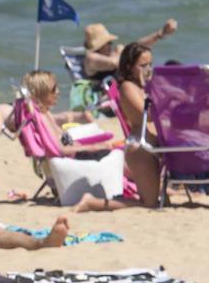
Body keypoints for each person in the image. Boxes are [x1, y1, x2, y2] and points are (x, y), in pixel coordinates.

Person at [15, 70, 132, 214]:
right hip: (73, 158)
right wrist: (94, 147)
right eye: (53, 90)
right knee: (123, 156)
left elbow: (64, 139)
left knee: (120, 151)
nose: (57, 92)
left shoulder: (45, 114)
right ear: (41, 93)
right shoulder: (42, 119)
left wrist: (85, 145)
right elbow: (60, 149)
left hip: (75, 154)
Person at [114, 43, 164, 208]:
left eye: (150, 64)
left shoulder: (144, 87)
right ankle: (94, 203)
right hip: (141, 148)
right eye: (143, 65)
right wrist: (150, 87)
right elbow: (149, 115)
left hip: (153, 146)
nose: (148, 69)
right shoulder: (128, 87)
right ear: (129, 66)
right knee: (149, 203)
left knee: (159, 201)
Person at [82, 20, 176, 83]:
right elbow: (113, 63)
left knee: (171, 65)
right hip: (109, 98)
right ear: (100, 46)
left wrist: (160, 33)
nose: (111, 44)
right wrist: (121, 52)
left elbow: (137, 46)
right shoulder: (90, 58)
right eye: (109, 42)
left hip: (127, 88)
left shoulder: (113, 55)